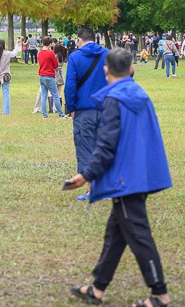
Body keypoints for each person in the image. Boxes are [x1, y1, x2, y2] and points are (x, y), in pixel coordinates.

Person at [66, 48, 172, 307]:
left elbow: (106, 146)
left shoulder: (115, 99)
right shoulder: (140, 94)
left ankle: (160, 294)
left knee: (138, 235)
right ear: (132, 70)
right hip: (140, 173)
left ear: (106, 71)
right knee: (116, 233)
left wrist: (85, 175)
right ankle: (97, 288)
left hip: (127, 179)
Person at [64, 27, 110, 202]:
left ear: (79, 40)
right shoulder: (108, 54)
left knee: (85, 148)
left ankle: (93, 190)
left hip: (84, 109)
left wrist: (71, 108)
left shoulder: (75, 57)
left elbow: (70, 85)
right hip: (106, 109)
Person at [0, 39, 21, 115]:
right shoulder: (7, 54)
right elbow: (14, 53)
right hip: (5, 76)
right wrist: (17, 44)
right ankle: (6, 111)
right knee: (6, 94)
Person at [38, 38, 67, 119]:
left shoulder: (39, 53)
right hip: (50, 76)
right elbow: (55, 65)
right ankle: (61, 114)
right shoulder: (50, 53)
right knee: (55, 95)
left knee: (44, 96)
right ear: (50, 44)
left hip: (42, 76)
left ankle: (44, 114)